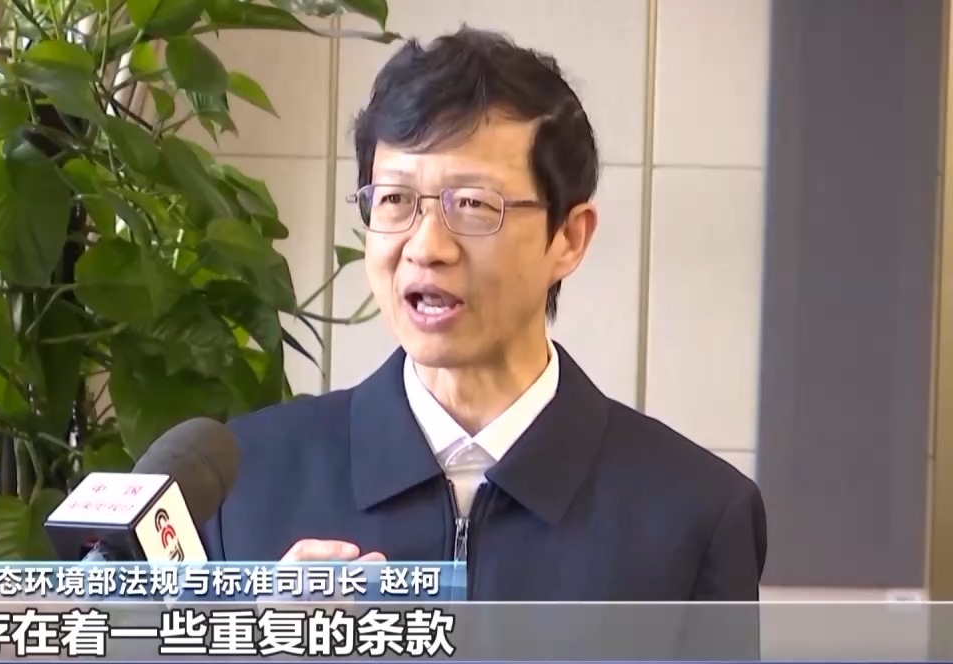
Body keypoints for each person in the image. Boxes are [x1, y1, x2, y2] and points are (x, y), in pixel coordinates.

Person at [202, 27, 767, 602]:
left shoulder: (695, 518)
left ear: (569, 238)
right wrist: (263, 638)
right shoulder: (240, 486)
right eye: (395, 200)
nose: (427, 247)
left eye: (473, 205)